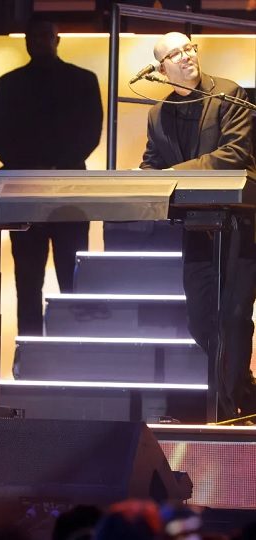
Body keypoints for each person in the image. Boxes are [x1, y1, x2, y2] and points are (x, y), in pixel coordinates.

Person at [139, 31, 256, 419]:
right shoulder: (158, 114)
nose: (187, 56)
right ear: (161, 69)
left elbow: (233, 155)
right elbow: (150, 164)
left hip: (241, 225)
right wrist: (146, 182)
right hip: (197, 228)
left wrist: (171, 175)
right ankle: (246, 394)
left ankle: (224, 412)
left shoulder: (229, 94)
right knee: (200, 321)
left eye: (190, 48)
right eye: (176, 53)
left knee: (233, 317)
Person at [0, 20, 103, 336]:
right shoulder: (77, 81)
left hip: (47, 190)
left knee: (70, 277)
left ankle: (70, 349)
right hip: (43, 190)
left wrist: (39, 167)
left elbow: (89, 134)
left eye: (43, 36)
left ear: (57, 39)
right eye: (33, 37)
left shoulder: (78, 81)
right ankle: (34, 351)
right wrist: (50, 167)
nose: (38, 42)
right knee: (30, 281)